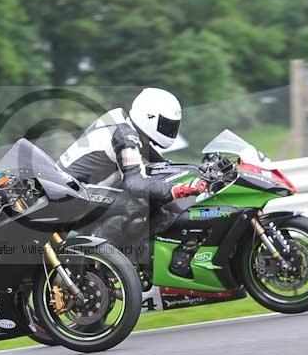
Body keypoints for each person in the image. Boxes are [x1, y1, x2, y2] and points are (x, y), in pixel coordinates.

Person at [58, 87, 207, 247]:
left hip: (72, 190)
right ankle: (94, 254)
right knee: (137, 203)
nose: (170, 130)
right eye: (166, 124)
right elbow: (135, 183)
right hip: (70, 192)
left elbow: (162, 165)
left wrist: (200, 171)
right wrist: (178, 189)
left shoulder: (127, 126)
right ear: (148, 117)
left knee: (152, 200)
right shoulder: (125, 135)